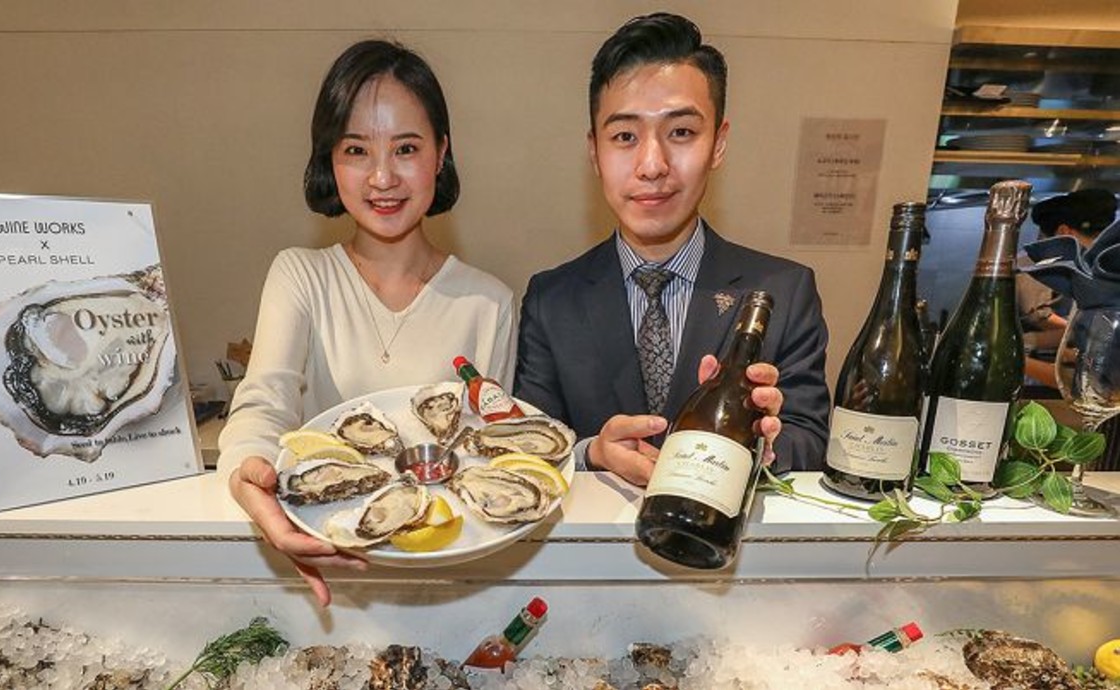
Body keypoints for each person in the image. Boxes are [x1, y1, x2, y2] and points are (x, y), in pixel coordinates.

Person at [218, 40, 516, 605]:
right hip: (323, 574)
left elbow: (484, 455)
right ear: (330, 159)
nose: (382, 177)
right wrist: (246, 473)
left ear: (440, 153)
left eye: (406, 148)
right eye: (356, 149)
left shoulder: (489, 303)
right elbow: (263, 404)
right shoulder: (300, 275)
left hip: (446, 581)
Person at [514, 12, 830, 486]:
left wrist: (762, 443)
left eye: (681, 132)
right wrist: (592, 453)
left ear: (718, 144)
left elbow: (810, 440)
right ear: (595, 152)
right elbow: (529, 445)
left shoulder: (784, 290)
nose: (652, 165)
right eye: (625, 136)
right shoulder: (551, 299)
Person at [1019, 188, 1117, 389]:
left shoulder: (1100, 286)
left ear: (1064, 233)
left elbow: (1095, 385)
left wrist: (1015, 358)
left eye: (1043, 240)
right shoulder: (1092, 279)